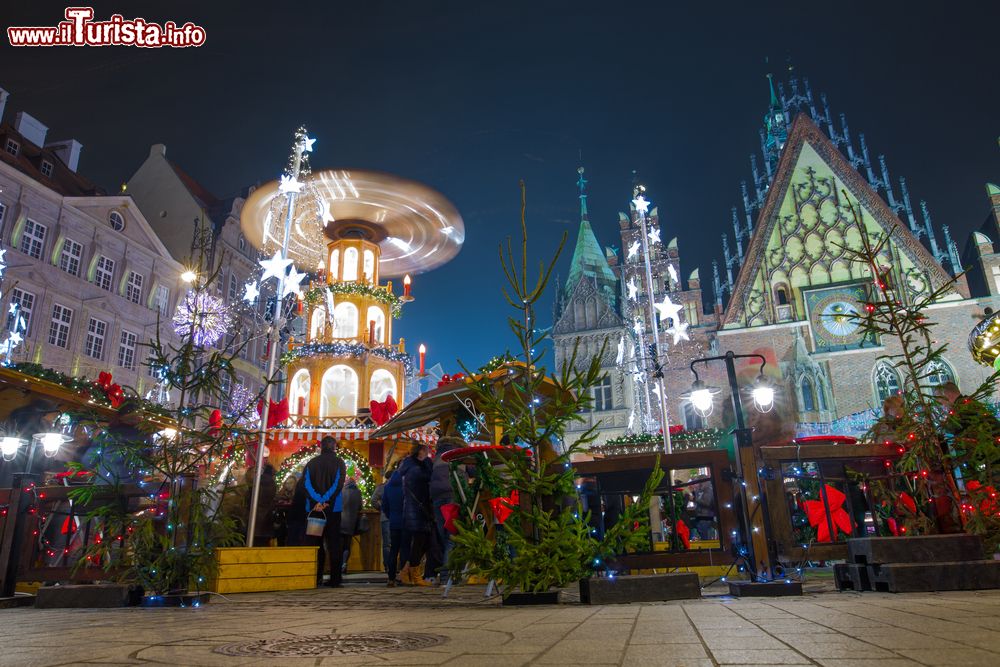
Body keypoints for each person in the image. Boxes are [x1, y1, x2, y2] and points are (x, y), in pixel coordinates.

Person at [302, 436, 347, 587]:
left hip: (314, 510)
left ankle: (315, 577)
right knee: (334, 544)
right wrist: (326, 501)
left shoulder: (311, 463)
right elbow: (338, 484)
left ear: (321, 447)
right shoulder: (339, 463)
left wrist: (317, 501)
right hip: (333, 509)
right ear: (334, 447)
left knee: (315, 543)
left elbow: (306, 484)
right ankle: (335, 579)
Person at [429, 436, 467, 582]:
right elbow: (474, 469)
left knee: (444, 535)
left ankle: (450, 574)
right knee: (452, 536)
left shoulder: (437, 455)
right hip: (453, 493)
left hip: (437, 496)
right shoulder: (460, 453)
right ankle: (447, 576)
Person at [398, 443, 433, 586]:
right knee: (420, 542)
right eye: (426, 450)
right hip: (417, 510)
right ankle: (415, 574)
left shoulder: (411, 465)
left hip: (419, 509)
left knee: (425, 541)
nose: (428, 453)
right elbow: (424, 478)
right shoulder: (413, 468)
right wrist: (429, 464)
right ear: (420, 452)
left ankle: (407, 571)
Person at [382, 464, 405, 586]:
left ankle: (391, 578)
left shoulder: (387, 487)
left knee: (393, 550)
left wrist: (391, 516)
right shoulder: (405, 486)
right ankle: (403, 576)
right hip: (405, 522)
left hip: (393, 523)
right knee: (405, 549)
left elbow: (384, 506)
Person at [246, 463, 277, 546]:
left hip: (252, 520)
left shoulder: (255, 482)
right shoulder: (272, 484)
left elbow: (248, 500)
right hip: (266, 521)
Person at [339, 473, 363, 573]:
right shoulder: (358, 492)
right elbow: (360, 507)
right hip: (351, 523)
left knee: (339, 545)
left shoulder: (341, 492)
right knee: (347, 545)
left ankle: (338, 566)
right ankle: (344, 564)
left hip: (340, 521)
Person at [371, 475, 391, 575]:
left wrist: (381, 508)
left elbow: (373, 500)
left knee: (387, 544)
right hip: (395, 518)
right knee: (394, 543)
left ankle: (387, 566)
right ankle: (392, 566)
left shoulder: (381, 487)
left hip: (385, 518)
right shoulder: (400, 485)